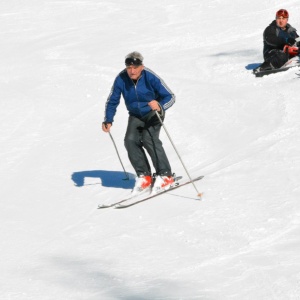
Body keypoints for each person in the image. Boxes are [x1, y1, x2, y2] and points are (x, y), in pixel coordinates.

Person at [102, 51, 176, 196]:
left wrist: (159, 105)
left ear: (141, 66)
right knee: (130, 141)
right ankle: (144, 177)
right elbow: (112, 100)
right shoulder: (121, 79)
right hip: (136, 115)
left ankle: (166, 175)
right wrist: (108, 119)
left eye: (135, 67)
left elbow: (171, 96)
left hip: (153, 113)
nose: (132, 71)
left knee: (149, 139)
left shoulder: (150, 76)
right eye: (129, 67)